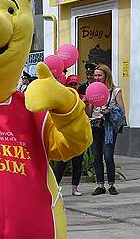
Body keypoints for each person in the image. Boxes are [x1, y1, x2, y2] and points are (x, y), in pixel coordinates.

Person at [89, 64, 125, 195]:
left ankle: (111, 185)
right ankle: (100, 185)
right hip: (95, 126)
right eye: (95, 75)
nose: (97, 77)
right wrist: (88, 102)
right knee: (96, 157)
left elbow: (122, 111)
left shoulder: (116, 91)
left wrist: (109, 111)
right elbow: (89, 112)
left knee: (108, 156)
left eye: (100, 75)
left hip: (109, 127)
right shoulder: (92, 89)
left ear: (106, 76)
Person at [51, 75, 88, 196]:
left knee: (78, 162)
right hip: (65, 135)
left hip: (78, 135)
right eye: (71, 84)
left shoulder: (82, 98)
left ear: (78, 85)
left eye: (75, 84)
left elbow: (88, 113)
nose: (73, 86)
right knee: (61, 162)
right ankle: (55, 188)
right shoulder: (64, 99)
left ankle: (75, 188)